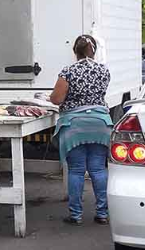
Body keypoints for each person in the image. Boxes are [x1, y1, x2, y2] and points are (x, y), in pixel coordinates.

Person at [50, 35, 113, 226]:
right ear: (93, 51)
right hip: (100, 123)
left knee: (77, 170)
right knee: (98, 169)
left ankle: (75, 216)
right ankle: (102, 214)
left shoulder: (68, 71)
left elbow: (56, 99)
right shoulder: (104, 71)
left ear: (75, 52)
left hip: (75, 125)